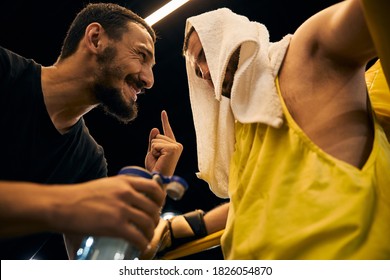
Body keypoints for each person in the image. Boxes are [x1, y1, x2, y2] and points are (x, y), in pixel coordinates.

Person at [144, 0, 390, 260]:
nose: (204, 73)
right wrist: (181, 225)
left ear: (229, 36)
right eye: (195, 69)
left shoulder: (305, 55)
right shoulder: (244, 131)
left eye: (204, 54)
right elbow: (255, 204)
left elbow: (370, 11)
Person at [0, 3, 183, 260]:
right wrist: (71, 202)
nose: (149, 80)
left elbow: (94, 268)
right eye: (141, 56)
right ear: (95, 39)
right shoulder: (4, 73)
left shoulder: (88, 161)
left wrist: (155, 184)